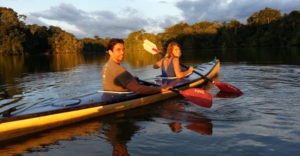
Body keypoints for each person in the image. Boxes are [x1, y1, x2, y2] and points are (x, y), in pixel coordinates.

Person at [102, 38, 170, 94]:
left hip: (110, 94)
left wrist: (132, 79)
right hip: (118, 99)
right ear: (110, 52)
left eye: (123, 49)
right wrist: (160, 89)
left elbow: (118, 81)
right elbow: (138, 90)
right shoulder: (118, 69)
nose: (122, 52)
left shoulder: (106, 65)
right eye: (118, 50)